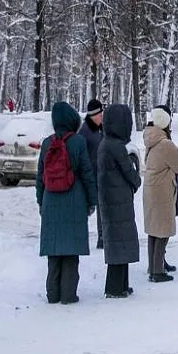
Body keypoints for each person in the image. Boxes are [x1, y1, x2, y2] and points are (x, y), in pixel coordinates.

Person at [36, 101, 97, 305]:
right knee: (71, 251)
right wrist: (91, 200)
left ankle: (52, 294)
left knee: (53, 252)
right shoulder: (78, 142)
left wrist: (41, 202)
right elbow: (87, 173)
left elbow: (40, 177)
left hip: (50, 200)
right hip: (74, 200)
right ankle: (69, 295)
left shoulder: (46, 143)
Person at [97, 103, 141, 298]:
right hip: (119, 201)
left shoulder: (105, 143)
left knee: (118, 242)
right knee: (120, 243)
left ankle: (121, 284)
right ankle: (115, 287)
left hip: (111, 200)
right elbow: (132, 175)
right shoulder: (116, 147)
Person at [143, 104, 178, 282]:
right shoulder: (165, 143)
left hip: (152, 190)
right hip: (162, 192)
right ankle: (157, 271)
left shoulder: (152, 138)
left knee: (154, 230)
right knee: (162, 231)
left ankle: (154, 265)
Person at [78, 99, 104, 249]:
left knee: (102, 207)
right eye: (99, 113)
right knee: (88, 207)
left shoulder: (101, 127)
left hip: (100, 174)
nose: (101, 116)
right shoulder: (85, 131)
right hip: (90, 175)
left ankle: (102, 237)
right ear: (93, 114)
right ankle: (81, 237)